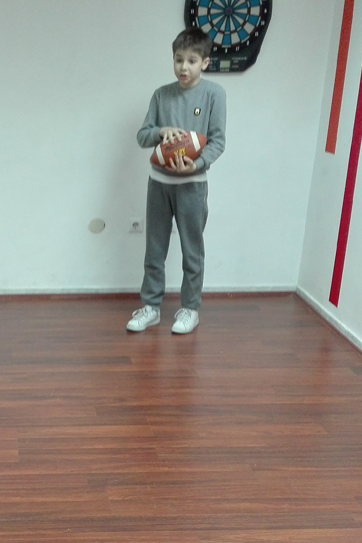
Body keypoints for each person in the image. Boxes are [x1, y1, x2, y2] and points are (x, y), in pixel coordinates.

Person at [127, 27, 226, 335]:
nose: (184, 67)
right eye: (179, 59)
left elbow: (217, 142)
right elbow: (143, 136)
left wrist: (196, 164)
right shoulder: (161, 95)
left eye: (192, 61)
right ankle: (151, 307)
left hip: (192, 185)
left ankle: (190, 309)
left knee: (191, 250)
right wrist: (161, 132)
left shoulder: (214, 95)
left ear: (205, 63)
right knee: (154, 249)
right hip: (159, 183)